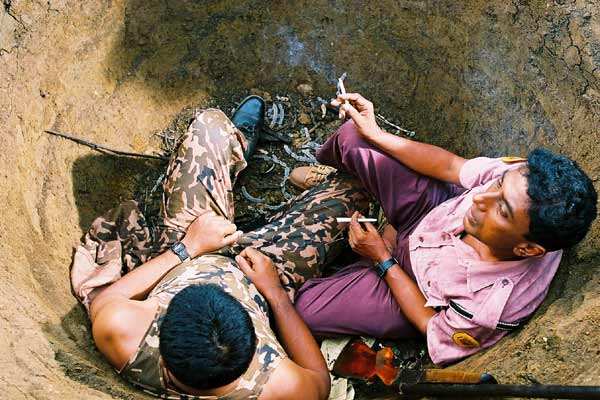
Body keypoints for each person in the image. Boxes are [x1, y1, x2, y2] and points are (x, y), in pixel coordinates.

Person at [70, 97, 370, 399]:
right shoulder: (273, 385)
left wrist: (188, 247)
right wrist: (276, 295)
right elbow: (319, 383)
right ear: (252, 348)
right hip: (266, 272)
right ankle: (295, 212)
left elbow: (105, 301)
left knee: (209, 125)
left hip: (190, 244)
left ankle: (239, 147)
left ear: (161, 329)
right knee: (359, 190)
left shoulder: (123, 334)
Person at [292, 92, 598, 365]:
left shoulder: (491, 306)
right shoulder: (521, 180)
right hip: (432, 216)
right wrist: (377, 134)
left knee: (303, 311)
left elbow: (431, 326)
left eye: (501, 209)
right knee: (353, 137)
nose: (480, 198)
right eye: (497, 186)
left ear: (527, 249)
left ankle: (358, 260)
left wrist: (383, 260)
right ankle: (342, 182)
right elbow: (452, 167)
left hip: (414, 290)